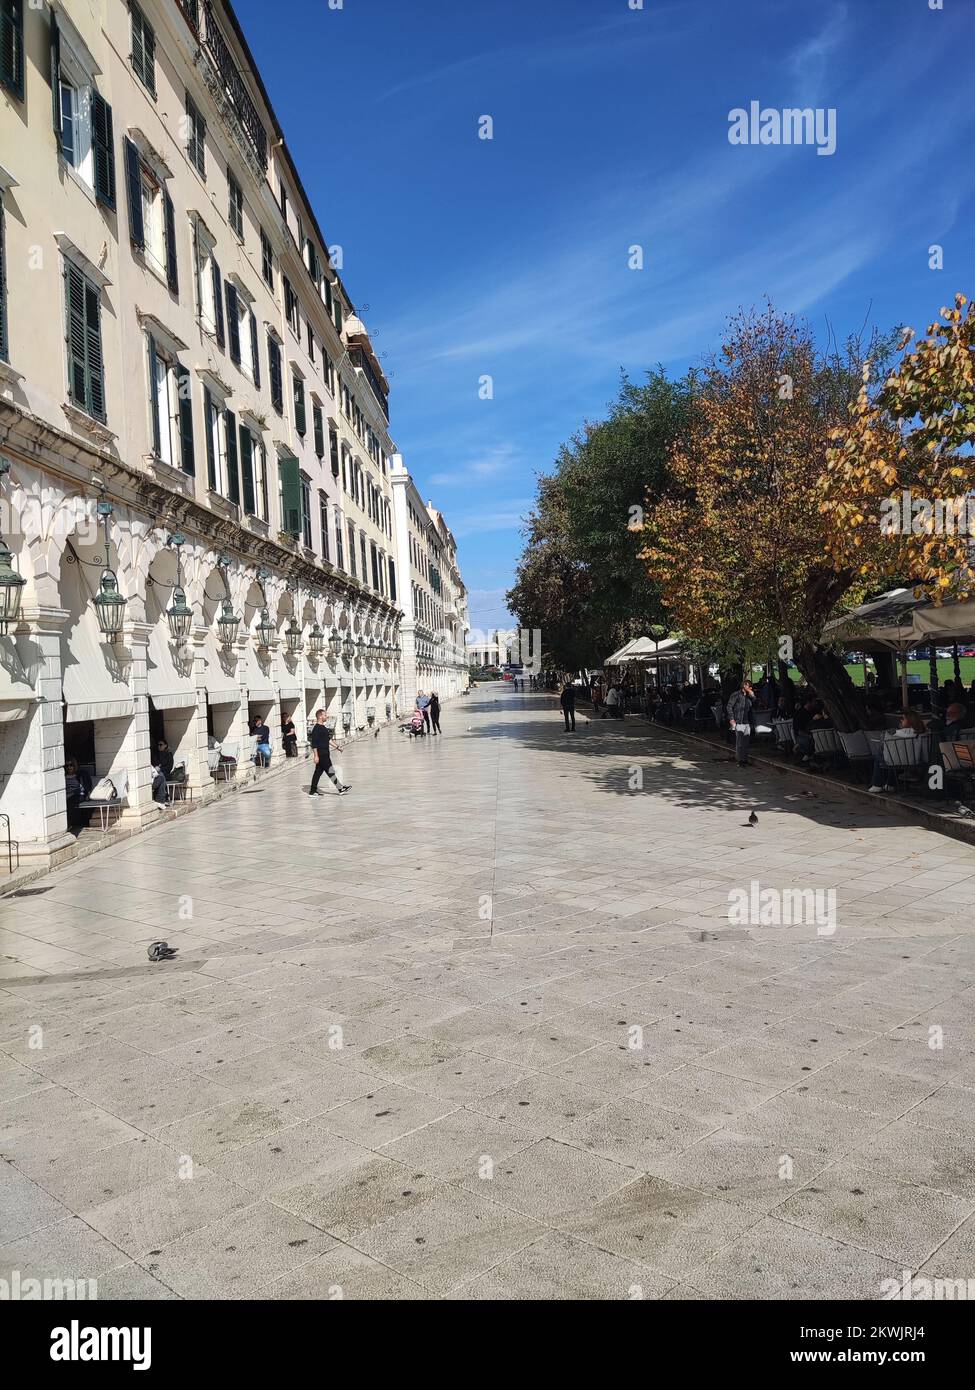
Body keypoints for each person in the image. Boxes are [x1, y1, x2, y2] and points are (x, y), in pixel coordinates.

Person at [868, 709, 926, 792]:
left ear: (909, 721)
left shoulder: (897, 733)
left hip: (898, 760)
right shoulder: (920, 732)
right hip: (916, 759)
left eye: (903, 718)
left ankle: (877, 784)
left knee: (879, 757)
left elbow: (884, 739)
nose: (901, 720)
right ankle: (890, 784)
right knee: (891, 755)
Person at [308, 710, 350, 796]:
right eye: (325, 715)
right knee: (330, 771)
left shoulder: (323, 727)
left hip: (325, 752)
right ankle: (340, 788)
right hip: (321, 753)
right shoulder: (316, 728)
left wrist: (338, 747)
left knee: (318, 772)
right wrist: (316, 756)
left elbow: (328, 740)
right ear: (320, 716)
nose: (326, 716)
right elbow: (314, 743)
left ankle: (312, 791)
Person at [727, 680, 755, 767]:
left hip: (747, 721)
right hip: (739, 721)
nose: (749, 688)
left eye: (750, 687)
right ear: (744, 686)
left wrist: (752, 695)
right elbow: (729, 706)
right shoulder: (736, 695)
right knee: (740, 742)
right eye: (748, 686)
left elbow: (755, 703)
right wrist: (732, 718)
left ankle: (745, 759)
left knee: (746, 741)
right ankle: (740, 760)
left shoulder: (749, 697)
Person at [64, 757, 93, 828]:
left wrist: (88, 793)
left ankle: (69, 822)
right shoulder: (63, 775)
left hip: (79, 794)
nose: (69, 767)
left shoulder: (81, 773)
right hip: (66, 794)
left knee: (71, 800)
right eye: (67, 766)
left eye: (71, 765)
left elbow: (87, 786)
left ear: (74, 765)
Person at [150, 738, 174, 804]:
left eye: (161, 745)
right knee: (159, 776)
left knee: (161, 775)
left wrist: (160, 768)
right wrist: (157, 768)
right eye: (158, 745)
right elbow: (154, 763)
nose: (159, 746)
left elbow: (169, 767)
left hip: (166, 773)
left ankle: (161, 798)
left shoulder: (169, 755)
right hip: (155, 773)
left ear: (165, 745)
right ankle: (162, 797)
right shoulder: (155, 754)